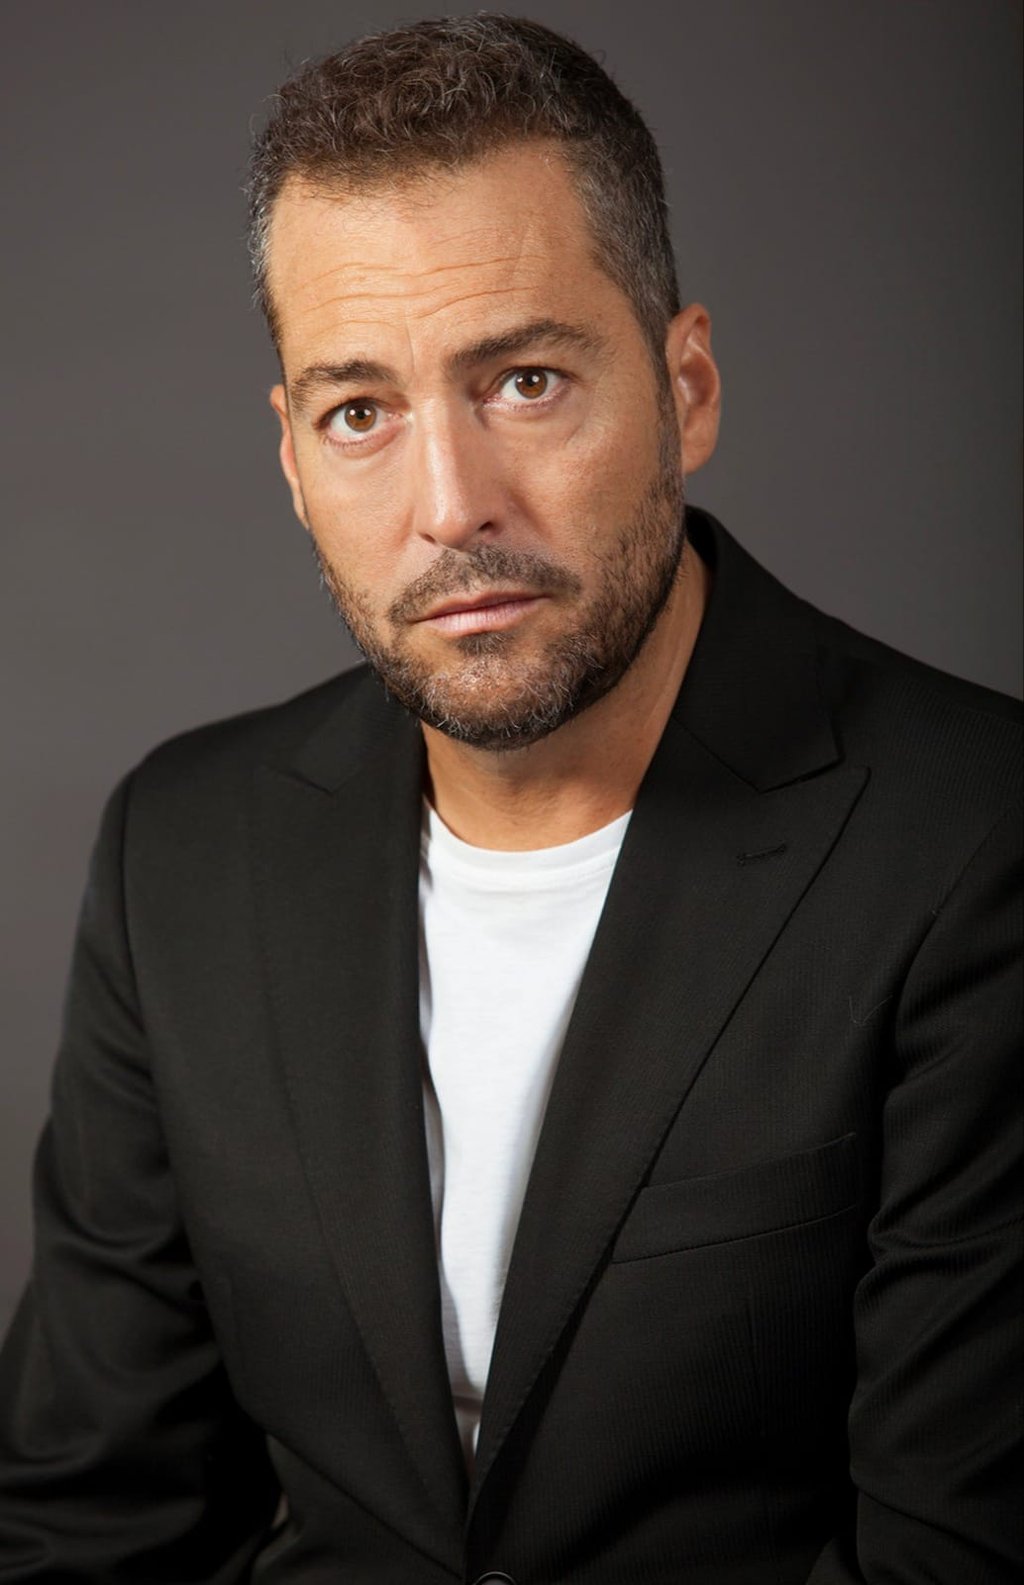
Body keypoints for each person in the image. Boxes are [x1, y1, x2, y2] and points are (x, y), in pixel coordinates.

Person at [0, 14, 1020, 1583]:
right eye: (360, 411)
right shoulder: (182, 854)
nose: (449, 506)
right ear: (292, 458)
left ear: (686, 386)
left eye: (526, 381)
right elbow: (86, 1521)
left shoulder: (973, 840)